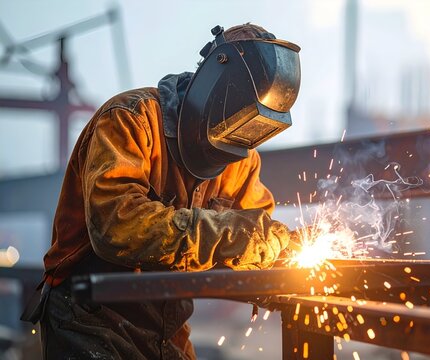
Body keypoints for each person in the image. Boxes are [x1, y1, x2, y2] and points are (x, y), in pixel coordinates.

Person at [21, 23, 302, 359]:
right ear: (214, 86)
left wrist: (286, 249)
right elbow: (117, 226)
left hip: (170, 318)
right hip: (90, 315)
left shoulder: (242, 160)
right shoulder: (130, 120)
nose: (236, 142)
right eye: (234, 120)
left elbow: (254, 235)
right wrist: (232, 236)